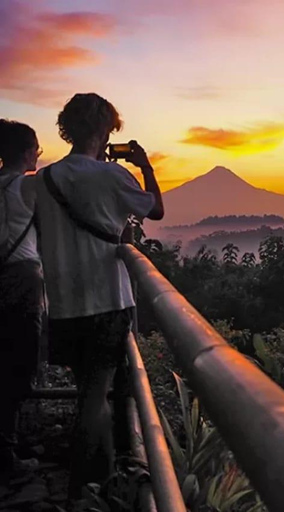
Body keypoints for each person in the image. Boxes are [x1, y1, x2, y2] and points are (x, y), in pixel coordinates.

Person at [34, 93, 164, 498]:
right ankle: (81, 488)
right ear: (105, 129)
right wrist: (144, 166)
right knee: (97, 396)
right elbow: (155, 210)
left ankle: (103, 477)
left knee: (90, 392)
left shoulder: (43, 179)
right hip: (106, 300)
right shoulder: (112, 176)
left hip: (63, 305)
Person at [0, 119, 45, 483]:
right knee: (18, 361)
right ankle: (7, 453)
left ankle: (8, 446)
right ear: (27, 152)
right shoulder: (31, 187)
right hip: (23, 279)